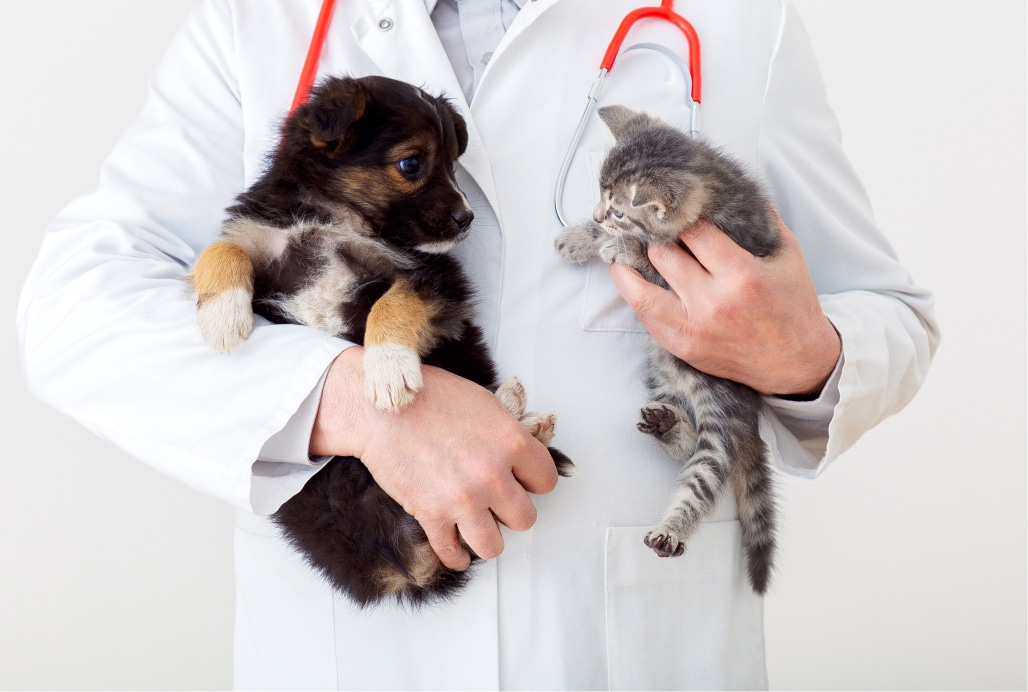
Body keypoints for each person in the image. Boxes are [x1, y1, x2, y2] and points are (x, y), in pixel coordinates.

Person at [17, 0, 938, 688]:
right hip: (353, 643)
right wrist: (340, 401)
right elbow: (75, 304)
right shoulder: (259, 23)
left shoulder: (737, 21)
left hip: (626, 649)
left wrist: (804, 354)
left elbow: (889, 311)